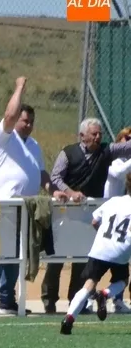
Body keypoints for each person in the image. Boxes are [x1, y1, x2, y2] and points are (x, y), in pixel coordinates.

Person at [0, 76, 54, 315]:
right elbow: (9, 115)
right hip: (2, 206)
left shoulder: (33, 145)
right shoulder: (4, 137)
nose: (28, 125)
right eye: (25, 120)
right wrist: (20, 87)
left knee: (16, 254)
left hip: (25, 208)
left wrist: (54, 190)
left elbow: (41, 173)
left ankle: (7, 299)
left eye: (31, 122)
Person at [45, 118, 131, 314]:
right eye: (94, 134)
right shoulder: (68, 153)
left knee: (83, 258)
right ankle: (49, 300)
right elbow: (55, 177)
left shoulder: (107, 150)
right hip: (64, 213)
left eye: (100, 133)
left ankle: (78, 302)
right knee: (57, 257)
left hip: (88, 214)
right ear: (82, 136)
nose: (98, 137)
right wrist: (70, 192)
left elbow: (127, 148)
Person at [60, 174, 131, 335]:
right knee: (123, 280)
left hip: (100, 248)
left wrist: (105, 236)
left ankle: (69, 319)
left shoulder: (113, 201)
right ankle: (105, 294)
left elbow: (94, 221)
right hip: (120, 252)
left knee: (89, 284)